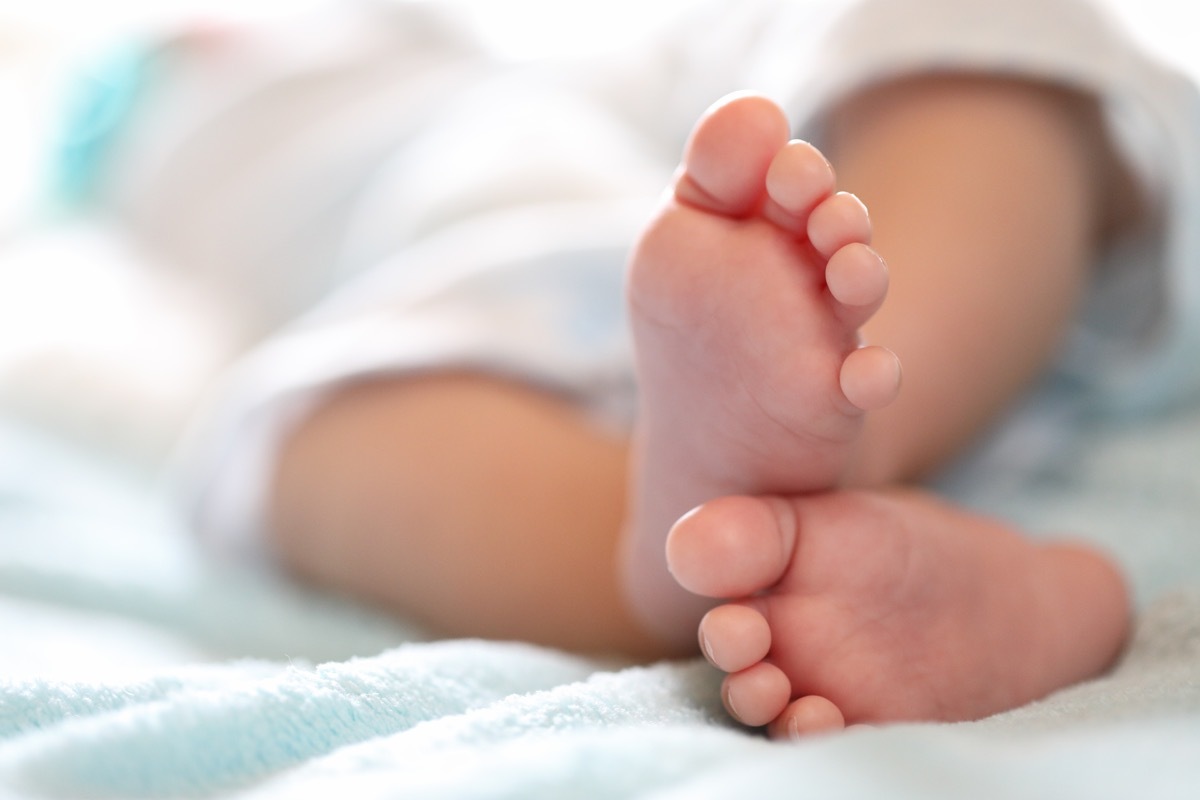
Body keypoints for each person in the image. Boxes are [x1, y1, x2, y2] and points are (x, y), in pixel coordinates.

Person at [84, 0, 1200, 738]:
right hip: (523, 216)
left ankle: (764, 485)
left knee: (331, 435)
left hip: (666, 143)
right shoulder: (161, 98)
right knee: (984, 66)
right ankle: (787, 477)